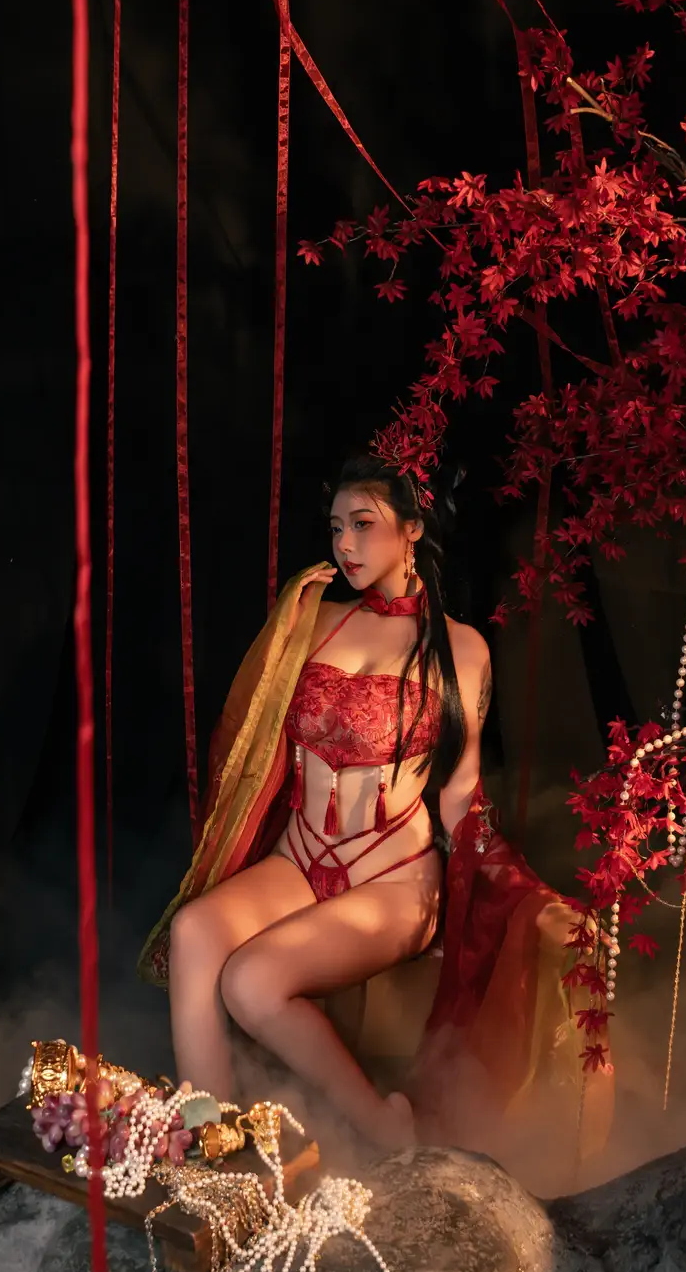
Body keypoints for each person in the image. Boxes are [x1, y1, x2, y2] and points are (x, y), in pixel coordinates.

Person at [140, 454, 604, 1159]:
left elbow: (460, 799)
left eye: (363, 524)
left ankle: (383, 1123)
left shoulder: (462, 650)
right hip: (299, 858)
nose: (345, 545)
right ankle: (212, 1139)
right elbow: (251, 738)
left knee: (252, 981)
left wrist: (529, 894)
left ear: (413, 528)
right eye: (336, 528)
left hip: (392, 879)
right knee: (194, 930)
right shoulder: (313, 619)